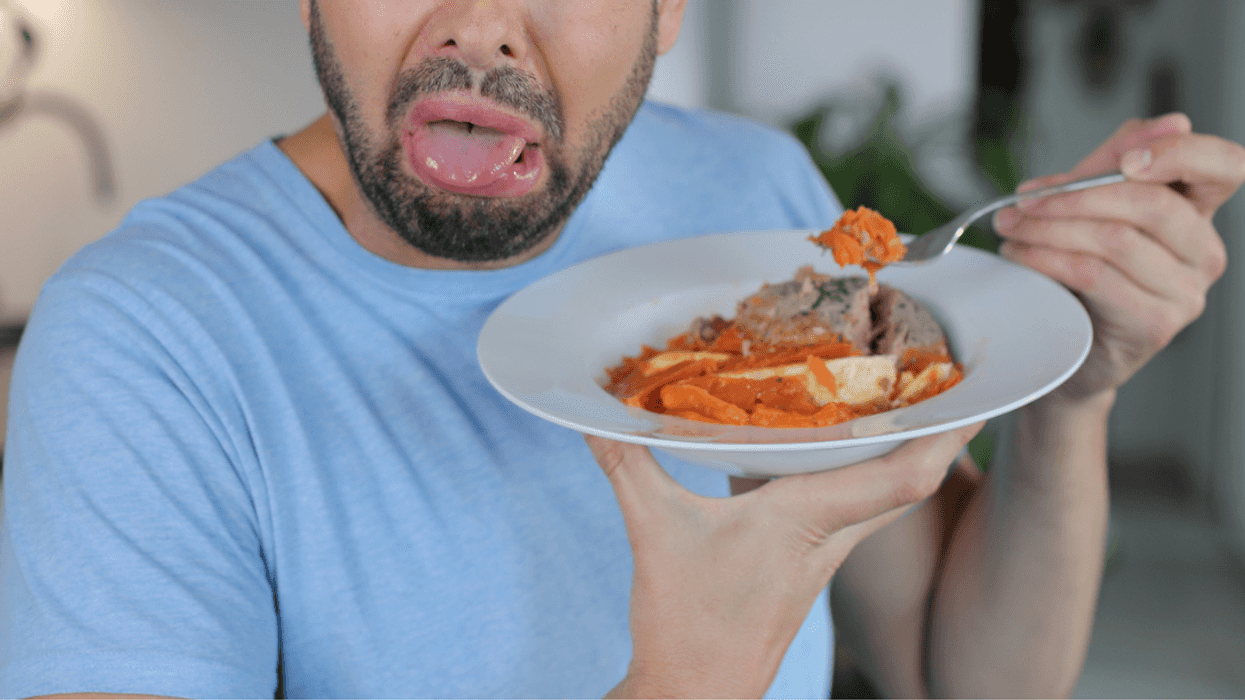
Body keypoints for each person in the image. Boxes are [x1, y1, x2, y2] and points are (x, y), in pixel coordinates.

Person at [1, 1, 1242, 697]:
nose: (480, 26)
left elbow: (955, 674)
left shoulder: (755, 195)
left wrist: (1074, 402)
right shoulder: (145, 341)